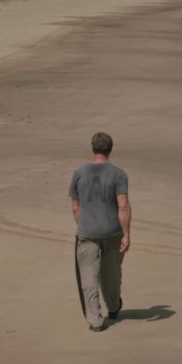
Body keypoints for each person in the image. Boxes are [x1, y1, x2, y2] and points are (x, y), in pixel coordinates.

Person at [69, 132, 131, 332]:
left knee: (89, 276)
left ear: (93, 148)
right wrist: (126, 234)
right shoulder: (119, 174)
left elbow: (75, 207)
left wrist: (84, 225)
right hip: (113, 232)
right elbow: (123, 206)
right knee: (112, 273)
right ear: (110, 149)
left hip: (88, 233)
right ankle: (113, 307)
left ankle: (95, 320)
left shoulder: (79, 173)